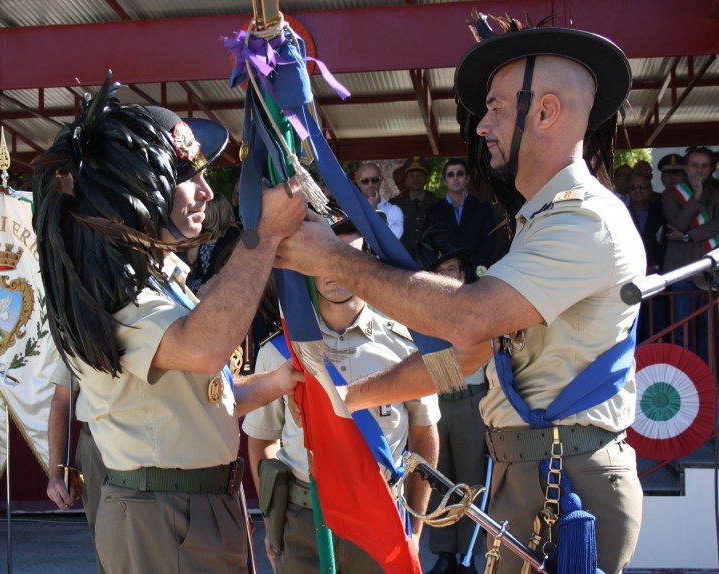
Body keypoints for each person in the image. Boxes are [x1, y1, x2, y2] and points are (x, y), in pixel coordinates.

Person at [277, 17, 645, 574]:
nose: (482, 127)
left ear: (545, 111)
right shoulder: (544, 222)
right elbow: (467, 358)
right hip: (539, 472)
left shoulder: (585, 221)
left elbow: (468, 320)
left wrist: (333, 260)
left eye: (496, 108)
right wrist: (354, 397)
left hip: (565, 485)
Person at [33, 76, 306, 573]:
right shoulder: (114, 295)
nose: (206, 192)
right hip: (163, 515)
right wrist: (264, 235)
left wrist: (278, 381)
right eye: (188, 177)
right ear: (134, 191)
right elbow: (205, 349)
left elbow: (202, 401)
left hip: (195, 504)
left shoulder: (162, 281)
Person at [243, 216, 439, 572]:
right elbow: (261, 442)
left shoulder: (405, 346)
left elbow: (424, 438)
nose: (333, 270)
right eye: (323, 258)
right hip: (305, 520)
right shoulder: (281, 351)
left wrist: (415, 530)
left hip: (381, 518)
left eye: (345, 257)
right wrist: (274, 529)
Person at [421, 244, 488, 574]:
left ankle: (469, 555)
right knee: (439, 481)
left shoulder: (477, 309)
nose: (445, 275)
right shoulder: (425, 311)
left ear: (463, 275)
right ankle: (444, 552)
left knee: (471, 480)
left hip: (470, 402)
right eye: (440, 270)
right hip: (436, 402)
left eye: (451, 269)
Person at [661, 146, 719, 358]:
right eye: (694, 165)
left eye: (704, 166)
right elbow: (677, 224)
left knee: (707, 331)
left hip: (709, 271)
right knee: (681, 331)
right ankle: (685, 378)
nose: (699, 170)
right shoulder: (670, 195)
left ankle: (705, 377)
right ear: (686, 167)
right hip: (682, 270)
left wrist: (689, 235)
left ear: (710, 169)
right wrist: (696, 197)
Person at [46, 380, 106, 574]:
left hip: (159, 442)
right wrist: (56, 474)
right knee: (105, 543)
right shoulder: (79, 347)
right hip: (97, 445)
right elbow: (62, 401)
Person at [425, 159, 497, 270]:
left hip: (476, 271)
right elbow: (429, 243)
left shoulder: (483, 208)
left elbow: (490, 240)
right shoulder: (433, 212)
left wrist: (474, 265)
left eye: (460, 173)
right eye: (450, 174)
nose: (455, 177)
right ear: (444, 180)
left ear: (467, 178)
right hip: (445, 273)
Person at [627, 174, 668, 342]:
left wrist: (656, 267)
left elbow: (666, 242)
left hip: (655, 273)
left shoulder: (661, 211)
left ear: (650, 190)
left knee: (658, 321)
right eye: (633, 187)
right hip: (629, 277)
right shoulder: (621, 210)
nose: (638, 190)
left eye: (642, 187)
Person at [392, 155, 441, 252]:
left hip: (431, 260)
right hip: (404, 260)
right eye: (411, 176)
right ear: (406, 179)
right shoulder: (395, 205)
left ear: (426, 178)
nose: (416, 179)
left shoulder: (438, 204)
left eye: (419, 175)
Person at [353, 162, 404, 239]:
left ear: (381, 181)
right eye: (365, 181)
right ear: (358, 182)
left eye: (375, 180)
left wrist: (374, 211)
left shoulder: (393, 210)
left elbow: (394, 238)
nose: (370, 185)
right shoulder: (349, 208)